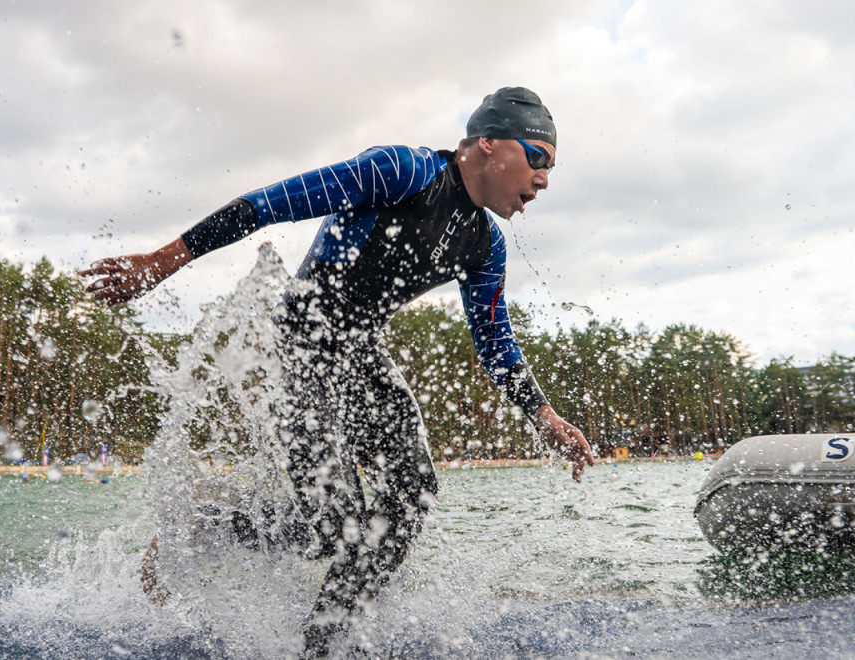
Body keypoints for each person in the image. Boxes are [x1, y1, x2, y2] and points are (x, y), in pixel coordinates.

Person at [83, 86, 594, 657]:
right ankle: (204, 525)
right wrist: (163, 259)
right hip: (301, 344)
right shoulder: (402, 171)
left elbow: (495, 340)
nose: (545, 179)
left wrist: (542, 415)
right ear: (488, 144)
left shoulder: (485, 245)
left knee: (408, 498)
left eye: (552, 165)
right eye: (539, 157)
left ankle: (323, 643)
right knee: (331, 524)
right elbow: (270, 203)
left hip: (360, 354)